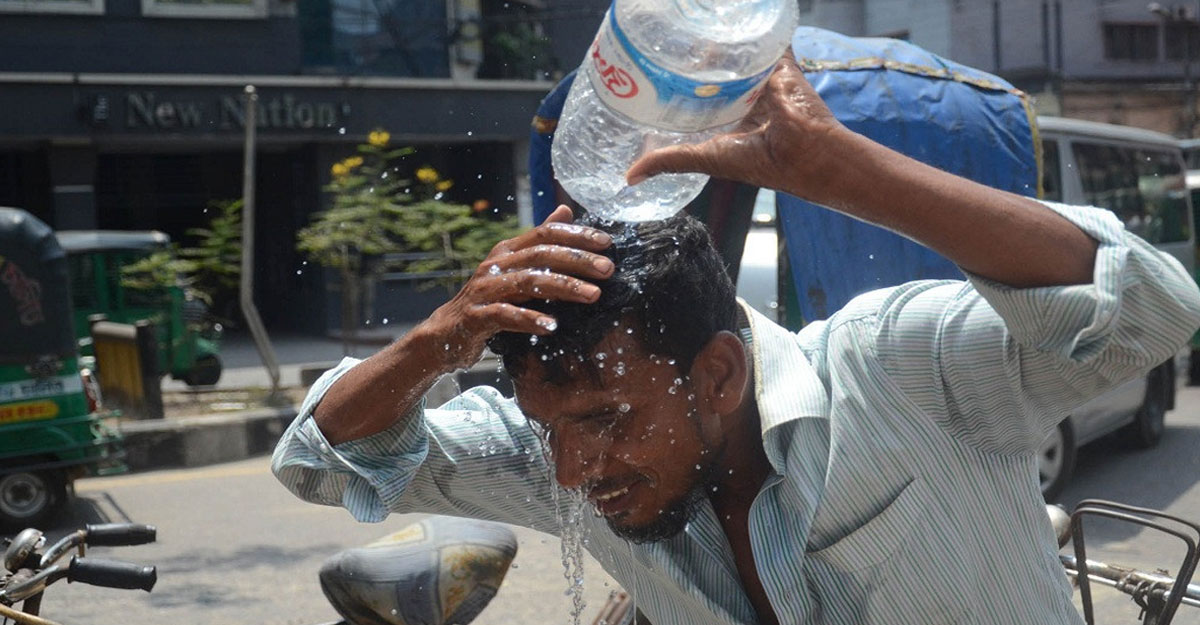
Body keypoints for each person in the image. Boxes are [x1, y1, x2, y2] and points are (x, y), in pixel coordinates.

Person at [272, 52, 1200, 624]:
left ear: (716, 373)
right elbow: (321, 456)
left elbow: (1154, 311)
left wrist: (845, 172)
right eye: (549, 424)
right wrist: (440, 337)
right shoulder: (563, 459)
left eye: (605, 416)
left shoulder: (894, 371)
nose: (566, 468)